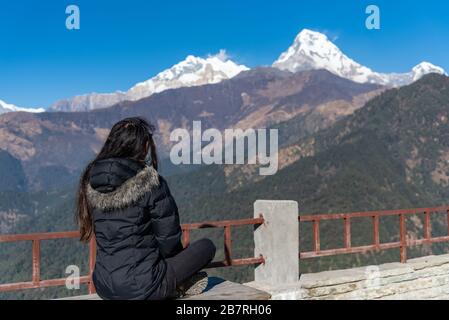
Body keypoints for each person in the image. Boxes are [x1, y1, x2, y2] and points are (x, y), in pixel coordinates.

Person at [75, 117, 216, 300]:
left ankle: (176, 285)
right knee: (206, 247)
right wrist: (172, 265)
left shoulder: (90, 179)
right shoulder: (150, 182)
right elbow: (168, 239)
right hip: (145, 287)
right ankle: (180, 284)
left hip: (103, 286)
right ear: (142, 147)